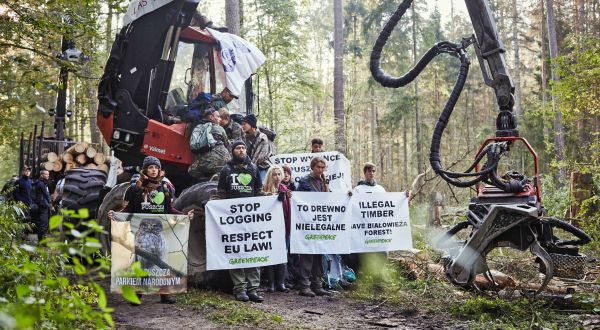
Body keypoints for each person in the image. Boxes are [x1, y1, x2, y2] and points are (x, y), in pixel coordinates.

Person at [108, 156, 194, 305]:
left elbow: (169, 209)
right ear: (145, 170)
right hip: (140, 230)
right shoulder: (136, 188)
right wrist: (117, 214)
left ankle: (164, 294)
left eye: (156, 168)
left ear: (159, 170)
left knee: (161, 263)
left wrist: (185, 216)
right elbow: (130, 209)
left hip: (160, 230)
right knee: (140, 263)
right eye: (150, 167)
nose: (154, 170)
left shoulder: (165, 188)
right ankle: (138, 294)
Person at [210, 141, 269, 303]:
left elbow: (259, 193)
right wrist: (209, 203)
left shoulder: (254, 169)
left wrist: (274, 198)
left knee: (253, 253)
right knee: (236, 253)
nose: (241, 150)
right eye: (238, 148)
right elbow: (220, 194)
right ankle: (240, 289)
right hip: (232, 220)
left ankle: (253, 290)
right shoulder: (226, 170)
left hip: (251, 220)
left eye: (243, 148)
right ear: (233, 151)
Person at [296, 156, 353, 297]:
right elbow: (298, 200)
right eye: (318, 167)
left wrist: (346, 195)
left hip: (321, 225)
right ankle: (304, 286)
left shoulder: (324, 182)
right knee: (307, 255)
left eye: (323, 168)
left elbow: (330, 200)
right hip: (308, 223)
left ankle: (317, 285)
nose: (320, 170)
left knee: (318, 254)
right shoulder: (304, 181)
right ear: (312, 167)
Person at [262, 165, 292, 293]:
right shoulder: (263, 190)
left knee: (282, 254)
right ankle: (271, 284)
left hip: (283, 227)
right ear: (270, 175)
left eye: (279, 174)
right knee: (270, 254)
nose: (278, 177)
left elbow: (289, 211)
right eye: (275, 174)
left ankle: (281, 283)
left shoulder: (286, 189)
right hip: (269, 228)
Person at [188, 108, 232, 179]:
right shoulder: (219, 128)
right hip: (220, 163)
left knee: (191, 171)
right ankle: (216, 177)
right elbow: (228, 145)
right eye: (218, 116)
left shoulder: (196, 129)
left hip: (201, 164)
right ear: (211, 117)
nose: (220, 119)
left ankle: (206, 178)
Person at [241, 113, 272, 182]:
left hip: (262, 168)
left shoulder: (262, 138)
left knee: (261, 184)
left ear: (251, 124)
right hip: (248, 168)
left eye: (244, 124)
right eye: (242, 124)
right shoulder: (244, 138)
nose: (242, 126)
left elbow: (259, 158)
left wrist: (247, 169)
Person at [34, 170, 53, 242]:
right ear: (41, 175)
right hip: (43, 205)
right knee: (43, 224)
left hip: (39, 204)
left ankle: (41, 240)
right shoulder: (42, 183)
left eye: (48, 174)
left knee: (40, 223)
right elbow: (46, 194)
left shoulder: (39, 182)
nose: (48, 176)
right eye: (46, 174)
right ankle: (42, 241)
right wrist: (51, 204)